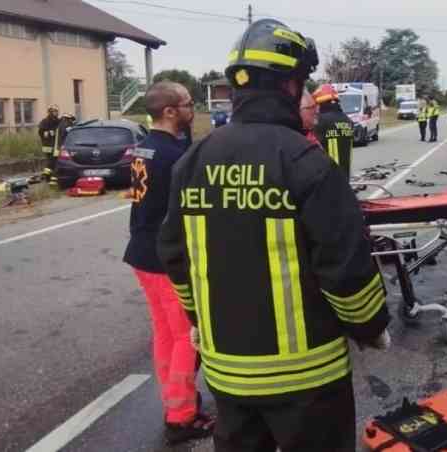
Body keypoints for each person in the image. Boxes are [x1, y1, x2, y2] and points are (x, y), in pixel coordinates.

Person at [157, 19, 391, 451]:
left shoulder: (192, 161)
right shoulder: (307, 161)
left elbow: (176, 257)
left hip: (227, 376)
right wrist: (370, 325)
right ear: (289, 86)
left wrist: (197, 322)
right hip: (311, 380)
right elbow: (344, 268)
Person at [122, 81, 213, 444]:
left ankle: (175, 401)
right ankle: (181, 416)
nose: (194, 110)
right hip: (165, 257)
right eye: (189, 104)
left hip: (141, 250)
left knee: (165, 334)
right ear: (171, 112)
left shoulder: (145, 147)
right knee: (186, 337)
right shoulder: (176, 156)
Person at [312, 83, 356, 177]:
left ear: (320, 103)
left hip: (328, 176)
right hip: (345, 174)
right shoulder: (348, 121)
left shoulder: (320, 121)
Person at [38, 105, 61, 184]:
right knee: (51, 161)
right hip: (48, 146)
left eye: (57, 111)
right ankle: (47, 177)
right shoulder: (45, 121)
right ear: (50, 112)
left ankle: (51, 177)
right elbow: (41, 133)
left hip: (56, 145)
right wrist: (49, 133)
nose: (56, 113)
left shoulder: (58, 121)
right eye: (54, 111)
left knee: (54, 162)